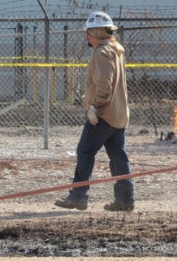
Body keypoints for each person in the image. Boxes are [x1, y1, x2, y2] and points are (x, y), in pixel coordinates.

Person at [55, 11, 135, 212]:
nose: (87, 37)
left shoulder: (101, 53)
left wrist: (94, 108)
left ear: (97, 33)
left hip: (104, 115)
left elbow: (104, 87)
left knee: (85, 151)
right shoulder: (116, 50)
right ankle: (125, 199)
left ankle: (78, 196)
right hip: (119, 114)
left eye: (89, 33)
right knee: (118, 157)